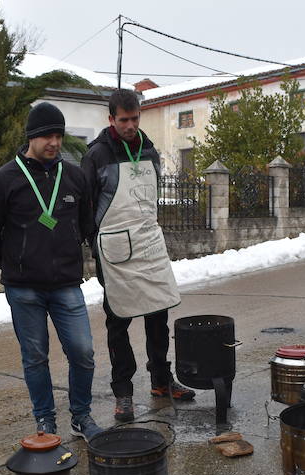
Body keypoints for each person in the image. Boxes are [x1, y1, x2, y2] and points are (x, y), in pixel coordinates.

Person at [0, 102, 102, 441]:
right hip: (24, 288)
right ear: (32, 136)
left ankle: (81, 415)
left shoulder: (74, 177)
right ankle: (45, 419)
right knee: (35, 357)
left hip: (66, 284)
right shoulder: (4, 180)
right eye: (48, 135)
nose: (55, 142)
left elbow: (87, 224)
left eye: (59, 135)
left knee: (83, 351)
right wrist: (13, 263)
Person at [81, 89, 195, 423]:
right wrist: (95, 245)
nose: (130, 125)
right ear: (111, 119)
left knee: (158, 313)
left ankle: (161, 380)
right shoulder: (97, 155)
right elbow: (87, 208)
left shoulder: (148, 149)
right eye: (124, 120)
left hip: (148, 243)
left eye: (135, 119)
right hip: (114, 251)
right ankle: (123, 393)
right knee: (119, 320)